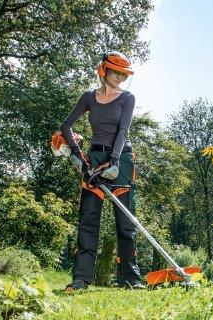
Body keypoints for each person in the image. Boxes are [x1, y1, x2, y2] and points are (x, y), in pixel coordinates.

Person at [61, 51, 144, 291]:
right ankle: (81, 279)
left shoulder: (126, 98)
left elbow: (123, 131)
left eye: (124, 74)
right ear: (103, 70)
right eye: (116, 71)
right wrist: (77, 155)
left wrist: (115, 161)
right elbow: (66, 125)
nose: (120, 77)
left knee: (126, 222)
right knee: (88, 219)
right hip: (94, 159)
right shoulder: (88, 97)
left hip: (121, 159)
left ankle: (131, 279)